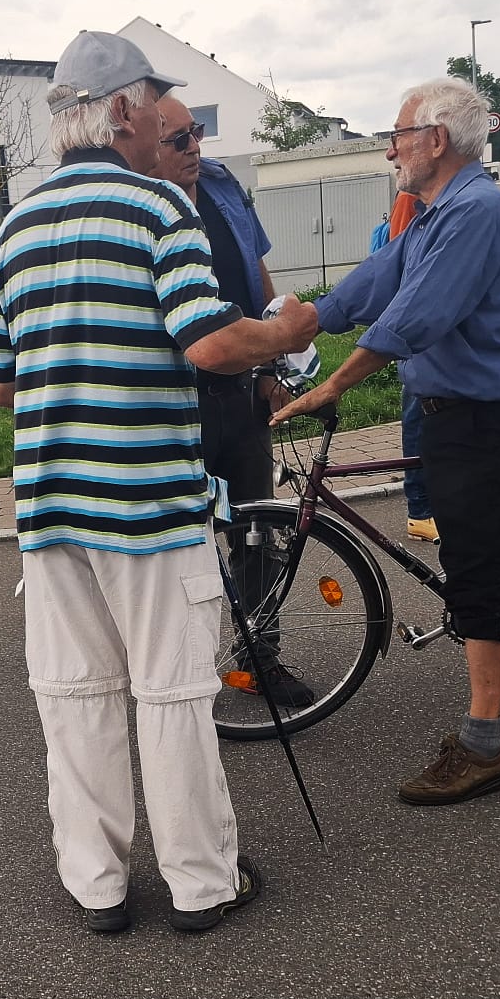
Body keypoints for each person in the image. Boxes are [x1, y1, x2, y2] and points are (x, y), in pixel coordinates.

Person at [0, 30, 319, 935]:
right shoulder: (159, 208)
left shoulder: (15, 226)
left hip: (51, 507)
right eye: (154, 101)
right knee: (171, 694)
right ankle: (201, 884)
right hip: (151, 505)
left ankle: (96, 883)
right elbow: (210, 343)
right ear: (122, 110)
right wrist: (286, 334)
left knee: (75, 696)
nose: (166, 120)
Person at [273, 78, 500, 806]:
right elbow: (380, 277)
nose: (391, 151)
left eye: (398, 135)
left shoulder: (477, 211)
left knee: (478, 575)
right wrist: (303, 321)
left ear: (435, 140)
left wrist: (334, 384)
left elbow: (415, 316)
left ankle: (484, 744)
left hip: (486, 417)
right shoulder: (439, 214)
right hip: (468, 413)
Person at [152, 92, 313, 709]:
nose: (194, 147)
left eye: (196, 132)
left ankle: (260, 658)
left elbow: (257, 278)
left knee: (255, 530)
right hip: (174, 404)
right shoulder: (140, 207)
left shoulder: (221, 186)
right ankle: (181, 671)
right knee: (179, 542)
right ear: (146, 147)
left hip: (241, 393)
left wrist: (272, 364)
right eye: (178, 140)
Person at [371, 191, 438, 543]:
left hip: (433, 329)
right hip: (418, 329)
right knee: (417, 417)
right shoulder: (412, 195)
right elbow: (402, 264)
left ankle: (429, 506)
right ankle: (420, 510)